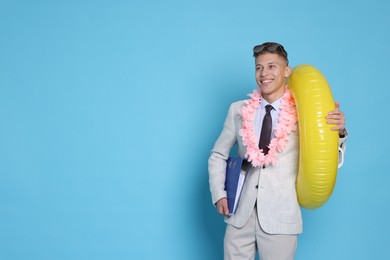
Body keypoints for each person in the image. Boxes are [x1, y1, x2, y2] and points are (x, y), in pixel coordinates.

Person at [208, 42, 348, 260]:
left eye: (272, 66)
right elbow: (218, 154)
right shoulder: (238, 110)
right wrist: (219, 194)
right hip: (239, 217)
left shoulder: (305, 113)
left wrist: (337, 132)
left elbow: (326, 158)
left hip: (281, 217)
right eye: (259, 67)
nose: (264, 74)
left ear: (286, 71)